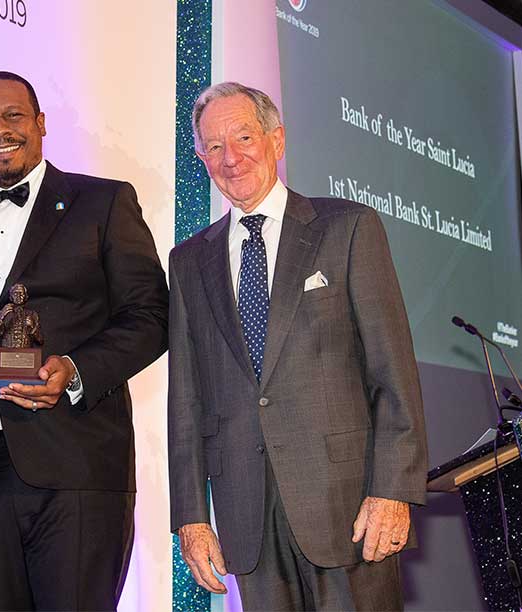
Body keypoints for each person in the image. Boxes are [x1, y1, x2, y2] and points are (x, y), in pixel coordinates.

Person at [168, 82, 428, 611]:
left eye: (243, 137)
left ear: (276, 140)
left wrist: (393, 490)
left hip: (351, 508)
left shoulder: (348, 228)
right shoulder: (189, 261)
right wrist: (192, 517)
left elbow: (392, 374)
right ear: (200, 157)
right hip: (248, 517)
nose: (231, 158)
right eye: (213, 146)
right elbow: (186, 402)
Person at [0, 71, 169, 611]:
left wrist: (76, 369)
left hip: (77, 463)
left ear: (40, 123)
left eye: (13, 115)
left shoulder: (103, 202)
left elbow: (151, 315)